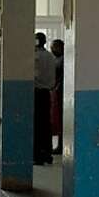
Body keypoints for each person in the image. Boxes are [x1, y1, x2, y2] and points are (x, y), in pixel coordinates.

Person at [34, 33, 56, 165]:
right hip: (47, 93)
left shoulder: (36, 57)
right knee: (46, 123)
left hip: (36, 93)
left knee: (37, 125)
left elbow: (35, 75)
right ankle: (48, 154)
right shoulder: (50, 56)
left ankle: (38, 155)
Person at [51, 38, 65, 154]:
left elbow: (61, 77)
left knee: (61, 119)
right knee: (57, 119)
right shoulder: (56, 60)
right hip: (56, 91)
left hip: (60, 92)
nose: (52, 49)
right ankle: (59, 145)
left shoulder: (63, 60)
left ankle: (61, 145)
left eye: (55, 46)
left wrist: (56, 86)